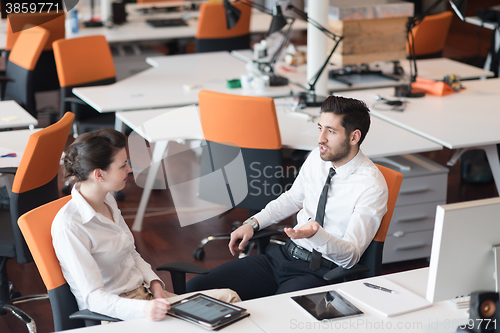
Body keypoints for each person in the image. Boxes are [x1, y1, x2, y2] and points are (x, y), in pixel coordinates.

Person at [186, 96, 389, 301]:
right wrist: (254, 223)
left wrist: (316, 235)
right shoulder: (317, 158)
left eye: (331, 131)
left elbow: (350, 257)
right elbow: (293, 199)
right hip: (282, 256)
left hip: (319, 273)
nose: (321, 138)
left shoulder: (372, 186)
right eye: (320, 128)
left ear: (354, 137)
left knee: (273, 316)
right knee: (196, 288)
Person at [52, 129, 240, 322]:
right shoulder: (70, 226)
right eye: (123, 165)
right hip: (118, 315)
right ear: (99, 174)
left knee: (230, 299)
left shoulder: (107, 200)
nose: (129, 169)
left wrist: (155, 284)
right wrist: (145, 309)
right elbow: (94, 299)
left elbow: (131, 253)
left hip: (146, 297)